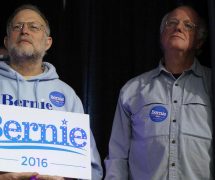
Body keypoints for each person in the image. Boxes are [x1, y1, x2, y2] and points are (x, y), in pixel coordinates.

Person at [104, 5, 213, 180]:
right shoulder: (132, 90)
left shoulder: (211, 83)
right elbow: (117, 156)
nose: (178, 28)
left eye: (188, 25)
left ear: (199, 41)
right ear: (162, 36)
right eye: (172, 23)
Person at [0, 4, 103, 180]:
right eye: (17, 27)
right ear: (6, 41)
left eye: (33, 27)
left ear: (48, 42)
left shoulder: (67, 95)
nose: (24, 31)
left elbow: (91, 168)